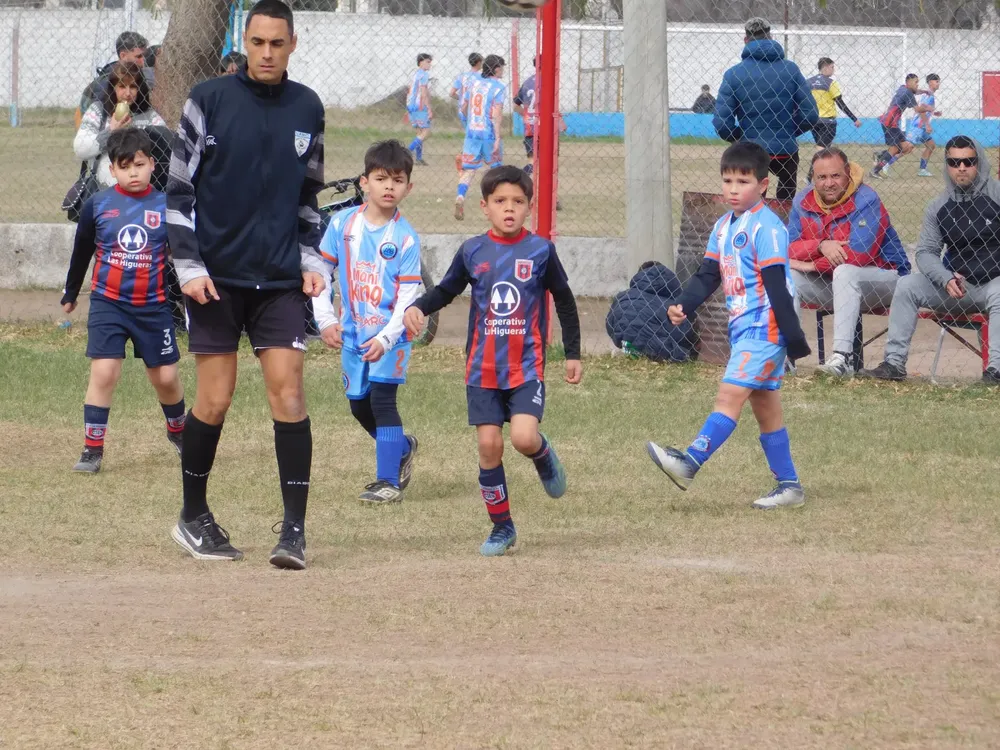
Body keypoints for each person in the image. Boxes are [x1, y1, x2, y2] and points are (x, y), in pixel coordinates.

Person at [166, 0, 327, 569]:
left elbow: (308, 199)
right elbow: (179, 192)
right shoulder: (208, 99)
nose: (266, 53)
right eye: (257, 42)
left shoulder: (308, 106)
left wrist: (312, 260)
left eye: (277, 44)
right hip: (213, 280)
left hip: (280, 279)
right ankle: (192, 517)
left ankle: (294, 532)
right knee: (215, 397)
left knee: (289, 390)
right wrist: (189, 267)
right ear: (245, 40)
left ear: (292, 44)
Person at [403, 165, 583, 556]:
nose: (509, 209)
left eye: (518, 202)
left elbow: (565, 301)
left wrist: (572, 353)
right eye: (500, 201)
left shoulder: (540, 251)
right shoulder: (472, 251)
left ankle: (541, 453)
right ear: (484, 206)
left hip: (526, 368)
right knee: (489, 446)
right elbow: (447, 291)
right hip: (482, 370)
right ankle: (502, 527)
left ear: (529, 207)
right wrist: (418, 307)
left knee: (522, 437)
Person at [646, 141, 811, 510]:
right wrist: (683, 306)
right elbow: (707, 275)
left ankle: (689, 463)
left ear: (763, 185)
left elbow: (776, 287)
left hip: (765, 327)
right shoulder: (722, 226)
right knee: (766, 409)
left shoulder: (767, 227)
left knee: (728, 397)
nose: (734, 189)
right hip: (745, 330)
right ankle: (790, 486)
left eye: (743, 181)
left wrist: (793, 339)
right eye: (728, 180)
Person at [60, 128, 184, 474]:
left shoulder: (165, 206)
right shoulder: (98, 205)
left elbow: (183, 254)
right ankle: (92, 449)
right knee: (104, 372)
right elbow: (82, 250)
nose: (133, 172)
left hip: (153, 306)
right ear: (112, 170)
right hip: (108, 304)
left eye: (140, 165)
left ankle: (179, 432)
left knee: (165, 377)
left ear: (152, 166)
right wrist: (71, 293)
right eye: (125, 166)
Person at [313, 140, 421, 505]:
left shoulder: (406, 239)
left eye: (398, 180)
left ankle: (387, 481)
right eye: (381, 178)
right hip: (353, 335)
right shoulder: (343, 224)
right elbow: (320, 270)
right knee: (358, 404)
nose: (389, 186)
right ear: (364, 182)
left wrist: (388, 339)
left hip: (391, 337)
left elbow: (408, 297)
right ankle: (402, 448)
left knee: (382, 401)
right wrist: (326, 318)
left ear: (409, 187)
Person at [861, 136, 1000, 384]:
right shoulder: (938, 206)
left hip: (994, 285)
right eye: (954, 162)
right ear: (946, 165)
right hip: (958, 287)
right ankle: (894, 364)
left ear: (978, 162)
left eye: (968, 161)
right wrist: (945, 278)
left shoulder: (997, 196)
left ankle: (996, 371)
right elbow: (925, 252)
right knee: (907, 286)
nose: (962, 167)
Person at [788, 148, 910, 376]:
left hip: (886, 279)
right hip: (835, 283)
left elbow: (858, 255)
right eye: (821, 177)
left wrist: (811, 265)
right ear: (813, 178)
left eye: (835, 176)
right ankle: (785, 358)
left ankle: (842, 360)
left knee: (845, 271)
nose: (828, 183)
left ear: (848, 174)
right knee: (789, 277)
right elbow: (789, 247)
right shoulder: (803, 200)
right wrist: (821, 245)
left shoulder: (867, 199)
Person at [713, 17, 818, 202]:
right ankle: (782, 223)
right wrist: (789, 131)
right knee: (785, 200)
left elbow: (722, 124)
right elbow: (810, 114)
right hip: (786, 150)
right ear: (771, 37)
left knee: (752, 200)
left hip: (750, 150)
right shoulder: (791, 70)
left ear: (746, 40)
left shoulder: (733, 74)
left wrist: (741, 136)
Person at [74, 62, 166, 190]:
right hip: (104, 189)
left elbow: (163, 147)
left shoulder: (150, 115)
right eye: (122, 86)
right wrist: (111, 131)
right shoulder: (99, 111)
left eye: (133, 86)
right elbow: (80, 149)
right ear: (113, 87)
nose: (128, 93)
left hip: (142, 189)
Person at [455, 54, 506, 221]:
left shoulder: (474, 83)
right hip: (488, 133)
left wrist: (468, 122)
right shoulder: (498, 87)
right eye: (502, 67)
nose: (503, 71)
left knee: (469, 170)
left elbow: (463, 108)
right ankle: (496, 203)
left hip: (472, 134)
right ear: (497, 69)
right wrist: (498, 136)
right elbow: (496, 113)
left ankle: (460, 196)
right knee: (496, 169)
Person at [77, 31, 148, 127]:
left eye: (144, 56)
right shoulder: (105, 84)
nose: (143, 61)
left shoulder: (141, 77)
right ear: (123, 56)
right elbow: (83, 117)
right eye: (138, 56)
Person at [870, 74, 934, 179]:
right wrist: (929, 109)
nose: (917, 84)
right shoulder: (907, 93)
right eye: (916, 82)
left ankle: (880, 154)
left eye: (918, 82)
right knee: (895, 149)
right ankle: (875, 170)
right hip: (889, 122)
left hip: (892, 123)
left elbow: (915, 91)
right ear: (908, 82)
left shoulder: (903, 88)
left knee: (907, 147)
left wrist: (924, 91)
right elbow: (917, 109)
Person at [806, 58, 861, 149]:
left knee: (824, 147)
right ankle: (819, 162)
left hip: (814, 120)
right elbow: (840, 103)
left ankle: (825, 161)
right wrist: (854, 119)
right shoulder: (831, 83)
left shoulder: (808, 82)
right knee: (822, 148)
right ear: (826, 67)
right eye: (832, 67)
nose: (833, 69)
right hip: (828, 121)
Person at [907, 74, 943, 177]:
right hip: (918, 126)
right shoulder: (928, 95)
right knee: (907, 148)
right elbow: (921, 109)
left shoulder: (930, 94)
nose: (938, 84)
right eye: (937, 81)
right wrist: (927, 125)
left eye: (939, 81)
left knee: (931, 145)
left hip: (922, 127)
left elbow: (926, 109)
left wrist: (935, 113)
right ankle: (886, 162)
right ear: (930, 82)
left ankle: (922, 169)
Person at [406, 53, 433, 166]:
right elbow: (423, 93)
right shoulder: (424, 75)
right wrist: (429, 108)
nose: (429, 64)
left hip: (410, 105)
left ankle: (419, 158)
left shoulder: (416, 74)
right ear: (420, 62)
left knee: (419, 132)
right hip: (419, 106)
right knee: (426, 132)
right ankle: (407, 152)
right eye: (427, 62)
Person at [451, 52, 483, 129]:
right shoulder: (481, 78)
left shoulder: (462, 76)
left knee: (468, 133)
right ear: (478, 62)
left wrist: (462, 98)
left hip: (462, 109)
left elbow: (451, 93)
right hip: (475, 111)